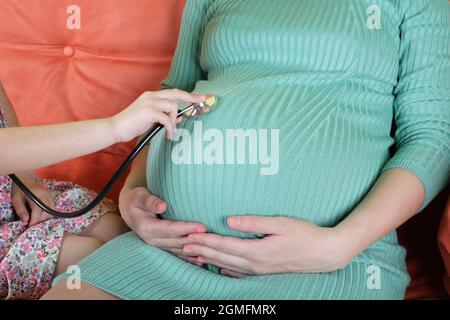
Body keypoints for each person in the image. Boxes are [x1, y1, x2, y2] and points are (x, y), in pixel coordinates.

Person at [45, 0, 449, 300]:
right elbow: (172, 97)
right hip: (175, 254)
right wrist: (134, 192)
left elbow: (433, 138)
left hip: (331, 266)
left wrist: (337, 245)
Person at [0, 81, 206, 299]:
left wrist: (24, 177)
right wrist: (115, 127)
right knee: (96, 257)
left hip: (10, 191)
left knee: (119, 233)